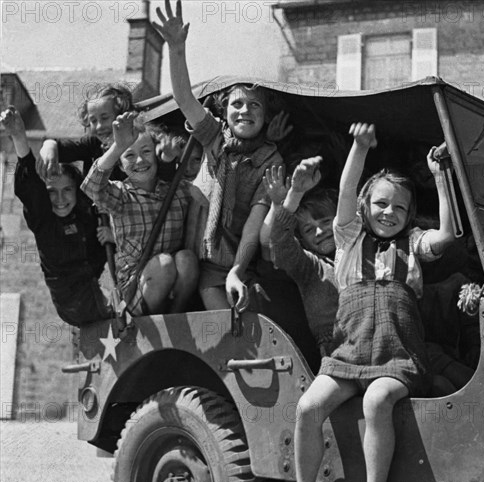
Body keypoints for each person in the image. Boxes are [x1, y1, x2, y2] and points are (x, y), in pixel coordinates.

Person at [261, 122, 455, 482]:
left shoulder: (413, 244)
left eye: (400, 209)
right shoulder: (348, 239)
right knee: (309, 405)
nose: (389, 213)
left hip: (396, 354)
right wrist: (360, 147)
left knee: (377, 399)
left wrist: (440, 178)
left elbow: (447, 234)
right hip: (349, 353)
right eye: (381, 204)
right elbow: (347, 192)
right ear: (365, 207)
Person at [154, 0, 283, 312]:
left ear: (265, 117)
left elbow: (255, 224)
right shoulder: (215, 138)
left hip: (245, 261)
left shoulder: (271, 159)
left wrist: (238, 270)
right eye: (237, 104)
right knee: (223, 328)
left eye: (255, 105)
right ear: (224, 113)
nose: (245, 111)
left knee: (254, 327)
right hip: (208, 265)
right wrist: (176, 49)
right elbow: (184, 98)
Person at [0, 106, 112, 327]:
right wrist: (19, 137)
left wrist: (113, 236)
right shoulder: (44, 221)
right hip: (76, 303)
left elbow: (98, 167)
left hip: (104, 287)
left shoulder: (86, 211)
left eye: (67, 190)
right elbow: (31, 187)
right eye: (52, 192)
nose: (60, 199)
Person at [81, 111, 199, 315]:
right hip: (135, 287)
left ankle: (175, 317)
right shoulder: (121, 195)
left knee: (186, 259)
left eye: (146, 151)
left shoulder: (177, 190)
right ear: (120, 163)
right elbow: (92, 187)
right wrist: (118, 146)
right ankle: (148, 319)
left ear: (156, 154)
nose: (139, 161)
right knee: (164, 264)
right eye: (129, 155)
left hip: (173, 288)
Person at [260, 156, 338, 357]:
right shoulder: (310, 266)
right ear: (302, 239)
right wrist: (295, 192)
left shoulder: (362, 252)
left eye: (326, 221)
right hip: (336, 350)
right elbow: (280, 242)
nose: (320, 232)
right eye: (309, 230)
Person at [36, 84, 136, 181]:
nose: (99, 126)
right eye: (93, 120)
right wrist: (50, 145)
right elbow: (64, 148)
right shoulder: (93, 143)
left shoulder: (138, 143)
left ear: (121, 114)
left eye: (105, 118)